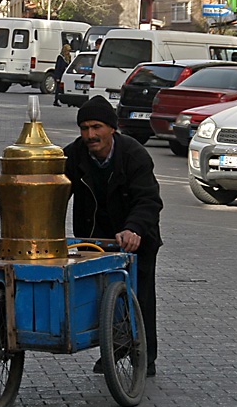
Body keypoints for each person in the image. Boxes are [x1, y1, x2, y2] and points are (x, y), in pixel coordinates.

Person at [63, 95, 163, 377]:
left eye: (96, 127)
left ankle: (144, 356)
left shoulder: (134, 155)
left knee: (139, 297)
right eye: (84, 128)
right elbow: (55, 190)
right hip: (95, 240)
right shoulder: (73, 155)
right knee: (101, 297)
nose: (90, 135)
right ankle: (114, 349)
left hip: (136, 238)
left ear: (112, 128)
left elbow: (148, 200)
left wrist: (134, 229)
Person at [53, 42, 72, 107]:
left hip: (65, 74)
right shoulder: (60, 57)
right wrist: (57, 77)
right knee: (58, 88)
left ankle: (69, 101)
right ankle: (56, 100)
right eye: (67, 51)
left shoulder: (69, 57)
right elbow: (58, 67)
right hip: (60, 74)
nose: (68, 52)